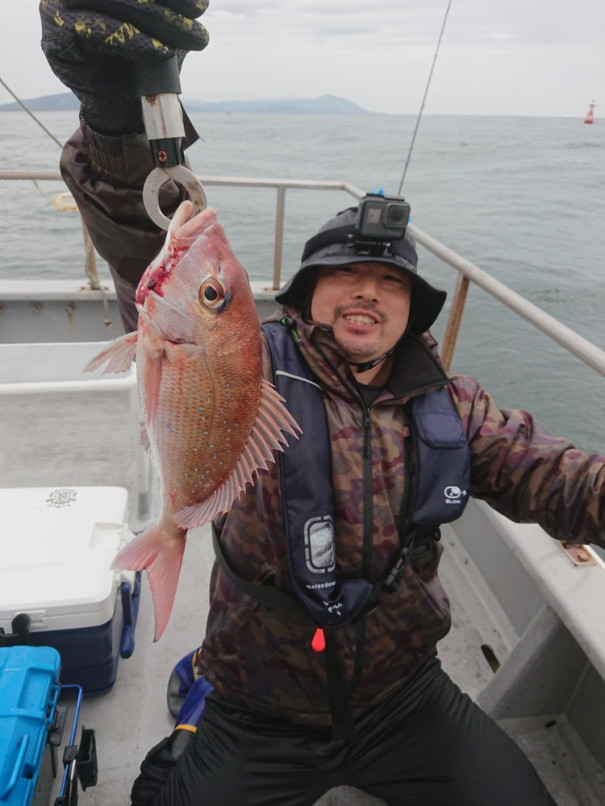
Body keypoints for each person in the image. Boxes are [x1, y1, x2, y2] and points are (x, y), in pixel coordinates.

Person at [40, 3, 605, 804]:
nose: (368, 292)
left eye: (392, 283)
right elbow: (144, 241)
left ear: (413, 311)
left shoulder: (455, 408)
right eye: (345, 275)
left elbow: (562, 481)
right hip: (252, 704)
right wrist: (111, 116)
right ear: (307, 296)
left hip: (404, 699)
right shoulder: (247, 360)